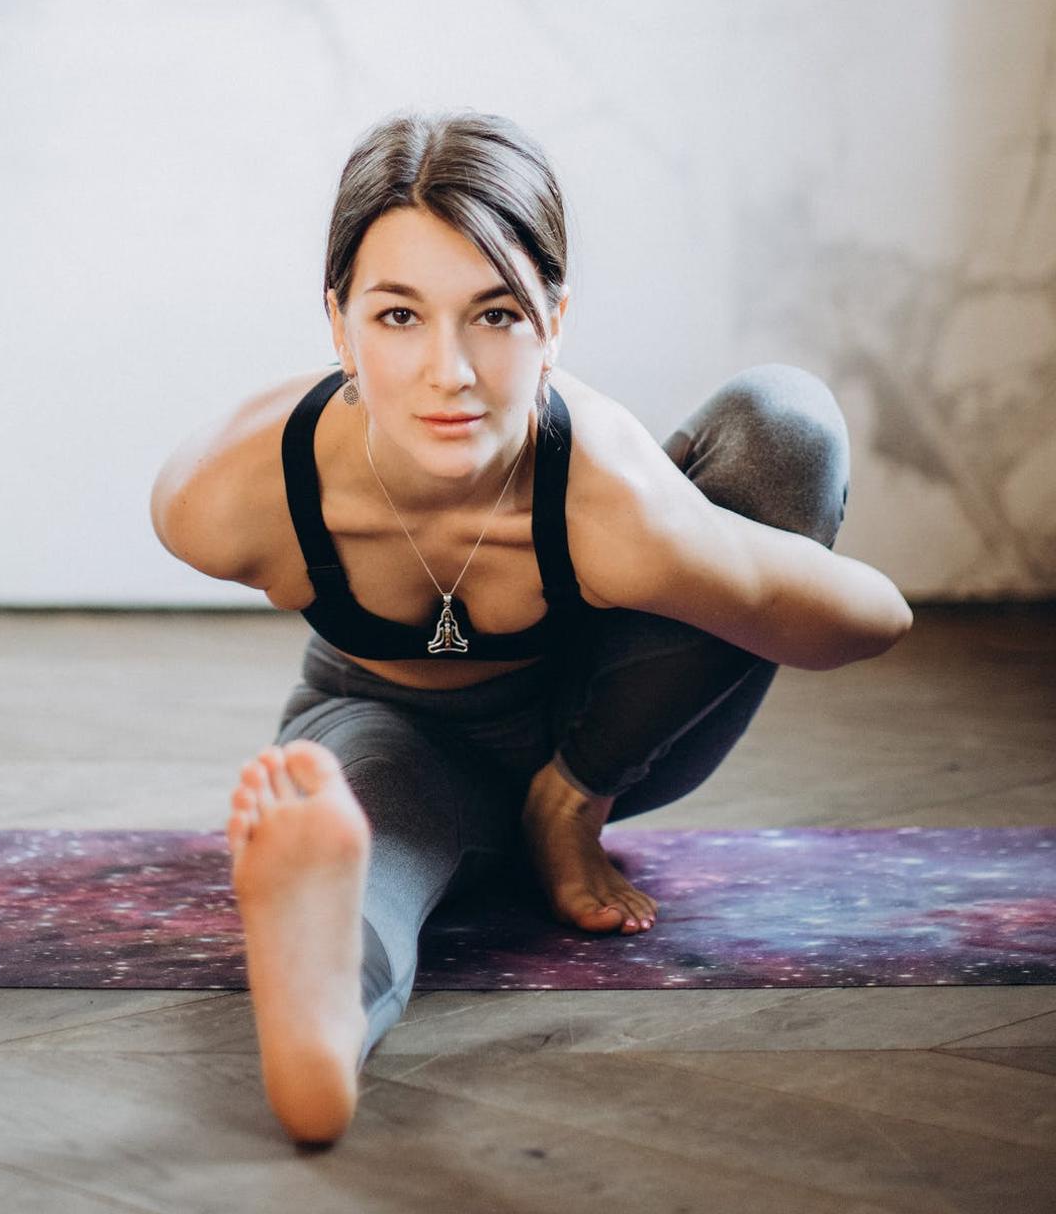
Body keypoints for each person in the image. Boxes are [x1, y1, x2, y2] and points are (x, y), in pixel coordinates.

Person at [149, 108, 913, 1146]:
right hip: (389, 732)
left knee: (786, 424)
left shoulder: (605, 490)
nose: (449, 373)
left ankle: (565, 809)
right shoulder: (231, 494)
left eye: (496, 314)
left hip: (611, 729)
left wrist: (689, 556)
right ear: (337, 324)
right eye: (398, 317)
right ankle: (320, 1031)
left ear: (554, 320)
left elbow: (878, 618)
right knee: (359, 846)